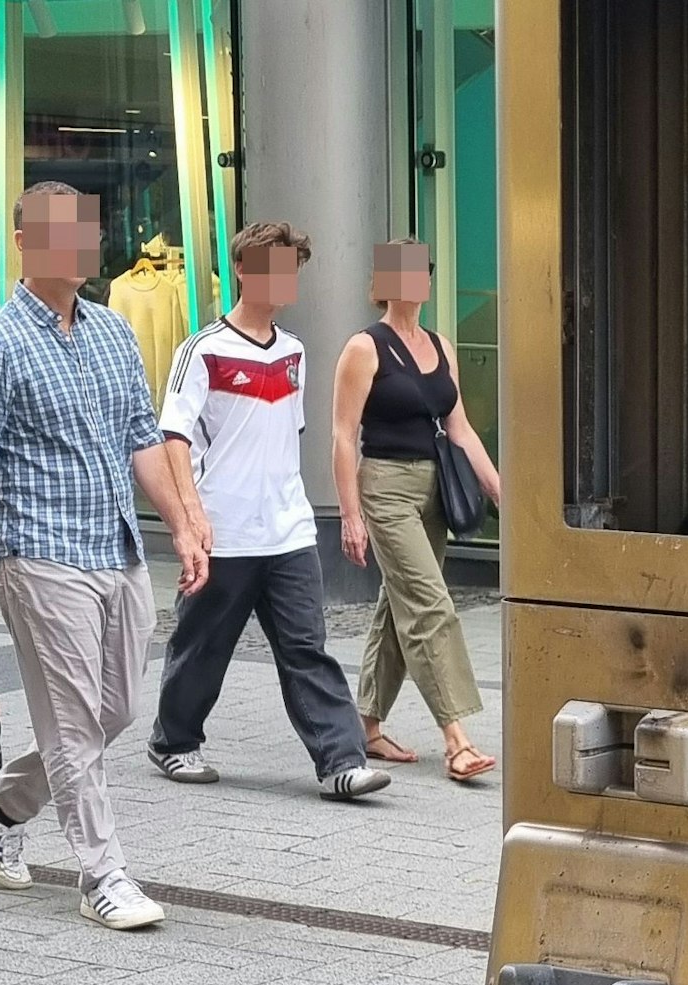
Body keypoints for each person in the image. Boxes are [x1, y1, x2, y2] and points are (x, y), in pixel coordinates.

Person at [0, 181, 212, 931]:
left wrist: (184, 525)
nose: (82, 244)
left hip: (118, 551)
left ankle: (1, 805)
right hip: (42, 557)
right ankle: (103, 876)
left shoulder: (113, 332)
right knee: (70, 727)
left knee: (111, 711)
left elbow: (141, 440)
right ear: (25, 244)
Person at [146, 221, 392, 802]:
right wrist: (190, 515)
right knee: (202, 646)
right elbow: (173, 435)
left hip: (288, 531)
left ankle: (340, 761)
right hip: (223, 533)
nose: (286, 280)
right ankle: (173, 742)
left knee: (307, 647)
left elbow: (284, 438)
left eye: (292, 268)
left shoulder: (294, 352)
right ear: (243, 270)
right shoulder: (202, 350)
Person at [330, 239, 499, 784]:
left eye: (421, 271)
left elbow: (461, 428)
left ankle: (365, 725)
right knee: (431, 605)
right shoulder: (364, 347)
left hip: (436, 491)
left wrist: (500, 492)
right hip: (386, 486)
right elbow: (342, 435)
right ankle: (457, 740)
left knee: (395, 603)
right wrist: (350, 514)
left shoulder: (441, 346)